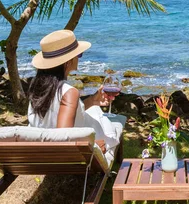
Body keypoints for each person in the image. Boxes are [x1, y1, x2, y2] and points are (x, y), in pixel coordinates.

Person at [28, 29, 120, 158]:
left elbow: (55, 114)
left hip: (43, 148)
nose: (79, 58)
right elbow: (63, 140)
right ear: (68, 61)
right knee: (108, 124)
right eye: (79, 54)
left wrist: (93, 100)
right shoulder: (69, 92)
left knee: (95, 110)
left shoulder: (37, 88)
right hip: (81, 146)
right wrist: (93, 146)